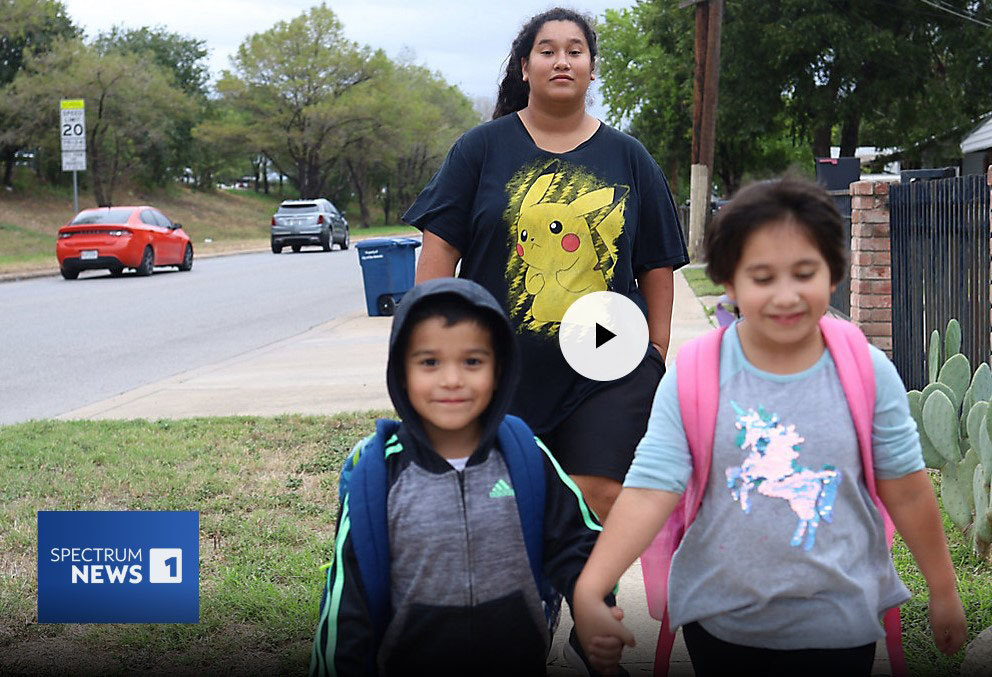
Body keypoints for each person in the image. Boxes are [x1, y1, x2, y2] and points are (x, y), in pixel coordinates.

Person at [571, 178, 968, 675]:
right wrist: (590, 589)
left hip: (841, 622)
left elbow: (906, 489)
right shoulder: (697, 373)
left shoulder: (867, 372)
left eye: (805, 273)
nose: (786, 296)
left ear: (833, 274)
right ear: (730, 283)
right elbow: (651, 489)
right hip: (720, 625)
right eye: (762, 277)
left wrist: (943, 588)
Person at [403, 7, 689, 525]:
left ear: (591, 67)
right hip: (499, 363)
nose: (562, 61)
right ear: (524, 67)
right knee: (507, 498)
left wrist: (656, 349)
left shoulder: (628, 156)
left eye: (575, 51)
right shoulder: (480, 150)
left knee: (599, 491)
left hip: (607, 363)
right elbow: (439, 250)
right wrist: (432, 339)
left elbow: (657, 262)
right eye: (548, 50)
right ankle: (535, 597)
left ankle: (590, 594)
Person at [309, 277, 611, 676]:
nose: (451, 380)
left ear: (499, 368)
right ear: (401, 371)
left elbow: (580, 543)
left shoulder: (524, 456)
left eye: (472, 361)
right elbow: (348, 604)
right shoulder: (378, 471)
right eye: (429, 362)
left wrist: (593, 604)